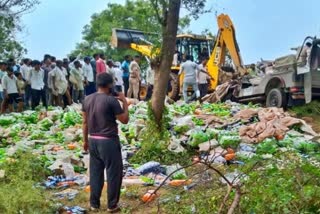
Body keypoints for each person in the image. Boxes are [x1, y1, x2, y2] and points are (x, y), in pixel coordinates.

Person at [82, 72, 129, 213]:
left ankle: (94, 204)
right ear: (110, 85)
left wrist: (85, 141)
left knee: (95, 173)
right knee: (113, 173)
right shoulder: (111, 101)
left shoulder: (87, 99)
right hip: (108, 141)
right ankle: (112, 205)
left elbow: (84, 122)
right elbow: (124, 120)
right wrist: (125, 102)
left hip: (93, 139)